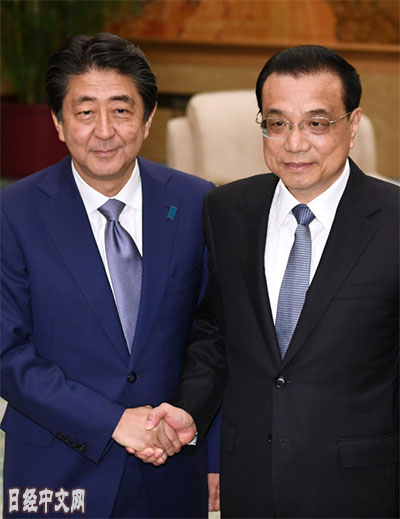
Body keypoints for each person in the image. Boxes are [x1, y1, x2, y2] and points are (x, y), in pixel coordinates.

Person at [144, 45, 399, 518]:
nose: (294, 143)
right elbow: (216, 332)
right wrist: (190, 407)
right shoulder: (226, 210)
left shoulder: (393, 221)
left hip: (363, 487)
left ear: (353, 124)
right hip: (252, 481)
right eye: (277, 123)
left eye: (316, 123)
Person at [0, 32, 220, 518]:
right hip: (56, 472)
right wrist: (112, 420)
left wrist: (212, 447)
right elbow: (7, 355)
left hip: (172, 465)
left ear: (148, 118)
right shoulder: (12, 213)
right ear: (58, 122)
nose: (104, 131)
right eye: (85, 112)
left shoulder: (195, 201)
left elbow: (214, 333)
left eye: (121, 110)